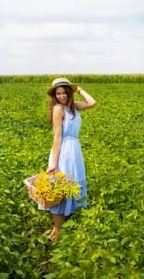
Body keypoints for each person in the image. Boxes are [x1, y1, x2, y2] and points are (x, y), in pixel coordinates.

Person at [43, 77, 96, 241]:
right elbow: (57, 137)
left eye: (64, 92)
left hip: (74, 150)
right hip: (64, 151)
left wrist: (78, 89)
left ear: (68, 93)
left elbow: (92, 102)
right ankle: (57, 230)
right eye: (58, 94)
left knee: (72, 184)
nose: (61, 96)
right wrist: (53, 163)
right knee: (62, 186)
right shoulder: (58, 109)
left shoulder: (73, 107)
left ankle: (60, 229)